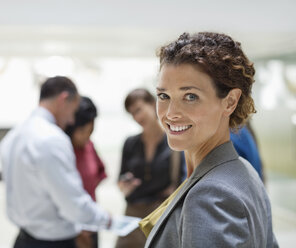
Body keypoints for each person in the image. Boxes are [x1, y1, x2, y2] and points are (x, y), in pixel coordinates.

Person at [139, 32, 279, 247]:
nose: (171, 113)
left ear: (230, 102)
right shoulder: (244, 172)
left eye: (191, 97)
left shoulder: (210, 195)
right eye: (164, 96)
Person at [0, 76, 111, 248]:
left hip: (23, 238)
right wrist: (104, 219)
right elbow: (73, 205)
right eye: (73, 112)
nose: (71, 121)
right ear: (64, 99)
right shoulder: (51, 139)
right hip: (53, 242)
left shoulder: (13, 135)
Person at [115, 88, 186, 248]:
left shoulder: (175, 142)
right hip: (133, 216)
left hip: (160, 215)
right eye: (132, 113)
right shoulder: (130, 143)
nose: (137, 117)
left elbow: (184, 182)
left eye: (139, 110)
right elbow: (121, 177)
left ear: (153, 104)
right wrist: (124, 185)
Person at [65, 96, 107, 248]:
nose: (86, 136)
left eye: (91, 131)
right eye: (82, 131)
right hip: (70, 229)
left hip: (91, 223)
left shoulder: (89, 146)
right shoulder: (63, 151)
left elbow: (101, 172)